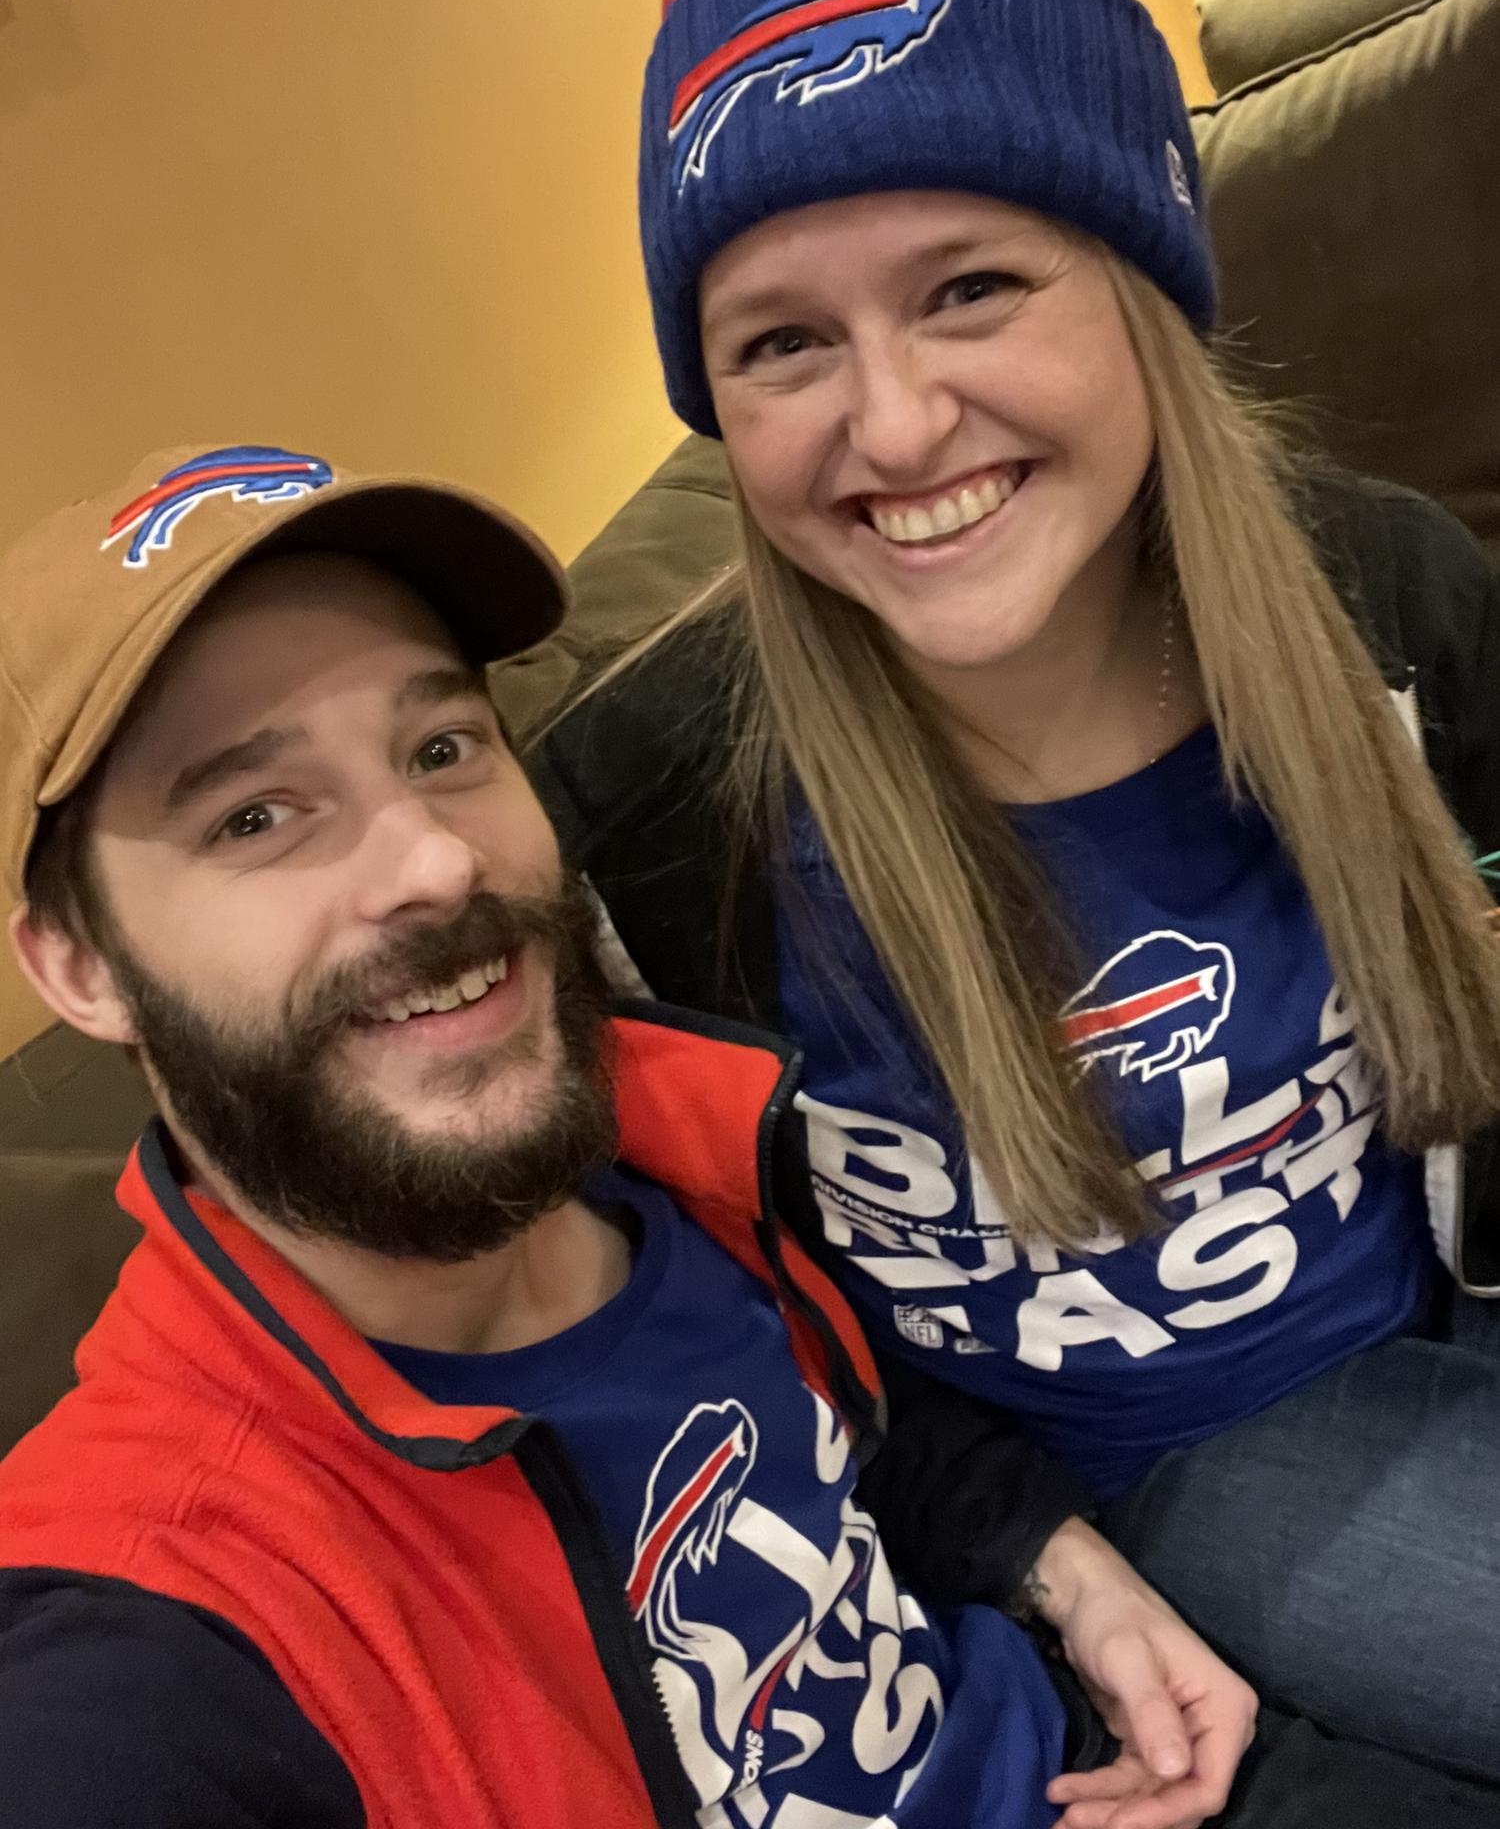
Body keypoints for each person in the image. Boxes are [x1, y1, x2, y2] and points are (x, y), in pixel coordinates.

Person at [529, 0, 1500, 1793]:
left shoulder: (1389, 595)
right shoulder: (639, 829)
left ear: (1142, 282)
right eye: (783, 341)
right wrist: (1040, 1557)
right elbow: (705, 1340)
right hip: (1160, 1462)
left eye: (970, 286)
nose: (894, 426)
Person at [0, 442, 1268, 1829]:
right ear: (81, 967)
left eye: (442, 749)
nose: (437, 860)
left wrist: (1069, 1575)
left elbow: (864, 1434)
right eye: (255, 815)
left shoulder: (669, 1153)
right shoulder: (154, 1618)